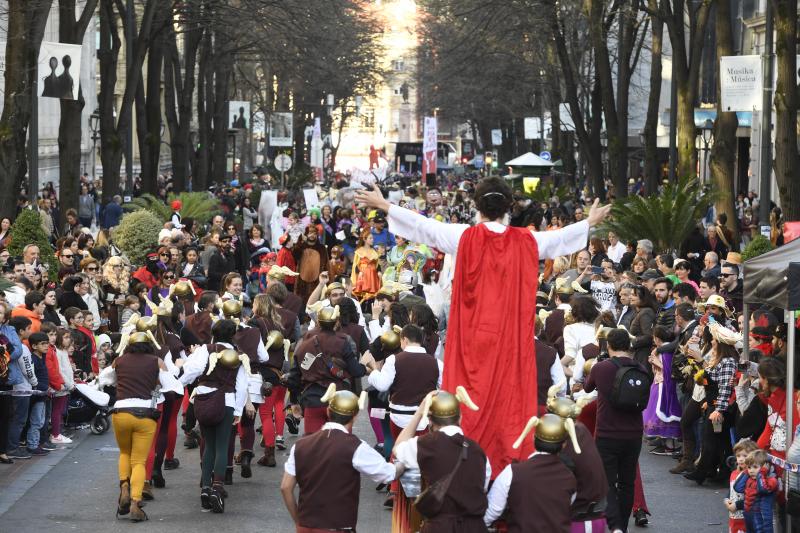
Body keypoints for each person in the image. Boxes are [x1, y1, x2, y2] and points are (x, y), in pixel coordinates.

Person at [357, 178, 611, 474]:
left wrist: (386, 205)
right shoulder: (526, 240)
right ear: (509, 208)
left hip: (471, 344)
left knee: (468, 401)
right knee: (508, 402)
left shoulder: (463, 236)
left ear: (476, 207)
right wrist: (588, 222)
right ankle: (506, 465)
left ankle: (465, 462)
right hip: (509, 343)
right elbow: (558, 239)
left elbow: (424, 227)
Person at [280, 387, 404, 533]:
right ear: (355, 416)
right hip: (338, 527)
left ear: (328, 412)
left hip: (305, 526)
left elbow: (285, 487)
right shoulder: (355, 446)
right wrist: (402, 464)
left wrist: (299, 521)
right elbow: (388, 474)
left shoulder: (300, 445)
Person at [394, 389, 491, 533]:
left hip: (440, 527)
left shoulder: (427, 444)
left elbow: (397, 449)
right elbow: (482, 487)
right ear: (460, 418)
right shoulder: (478, 451)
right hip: (475, 528)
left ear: (431, 420)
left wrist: (419, 413)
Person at [178, 319, 248, 513]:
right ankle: (218, 487)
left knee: (208, 444)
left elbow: (194, 370)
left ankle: (206, 487)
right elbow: (242, 385)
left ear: (214, 333)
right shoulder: (238, 355)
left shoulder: (206, 349)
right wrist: (239, 410)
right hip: (226, 401)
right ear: (233, 335)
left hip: (204, 398)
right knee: (222, 445)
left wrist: (178, 384)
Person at [584, 328, 649, 533]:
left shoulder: (601, 368)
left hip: (607, 433)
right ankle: (623, 526)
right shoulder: (640, 368)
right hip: (633, 434)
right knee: (627, 482)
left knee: (608, 482)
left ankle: (615, 527)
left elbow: (587, 387)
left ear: (609, 345)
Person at [484, 413, 580, 532]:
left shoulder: (513, 472)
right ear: (564, 444)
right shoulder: (569, 477)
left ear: (533, 437)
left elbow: (493, 511)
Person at [284, 306, 366, 434]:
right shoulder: (343, 341)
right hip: (339, 400)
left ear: (318, 321)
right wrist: (365, 367)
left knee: (313, 443)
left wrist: (294, 401)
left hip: (313, 399)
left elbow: (295, 376)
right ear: (337, 321)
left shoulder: (305, 341)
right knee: (340, 444)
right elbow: (356, 372)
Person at [684, 321, 739, 485]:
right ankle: (719, 471)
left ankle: (702, 472)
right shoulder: (720, 359)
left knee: (711, 439)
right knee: (718, 440)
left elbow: (724, 389)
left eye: (715, 339)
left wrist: (719, 409)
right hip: (713, 404)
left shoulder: (727, 361)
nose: (712, 342)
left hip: (719, 407)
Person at [733, 449, 779, 533]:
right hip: (749, 515)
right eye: (749, 467)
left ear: (765, 467)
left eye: (755, 467)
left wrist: (762, 473)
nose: (751, 470)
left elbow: (763, 489)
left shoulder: (772, 480)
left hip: (762, 519)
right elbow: (738, 488)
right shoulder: (749, 479)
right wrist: (746, 472)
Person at [725, 438, 759, 533]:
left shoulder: (751, 476)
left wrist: (736, 505)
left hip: (745, 515)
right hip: (734, 515)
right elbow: (731, 490)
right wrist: (726, 500)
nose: (740, 459)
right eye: (738, 455)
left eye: (745, 455)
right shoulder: (734, 473)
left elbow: (753, 498)